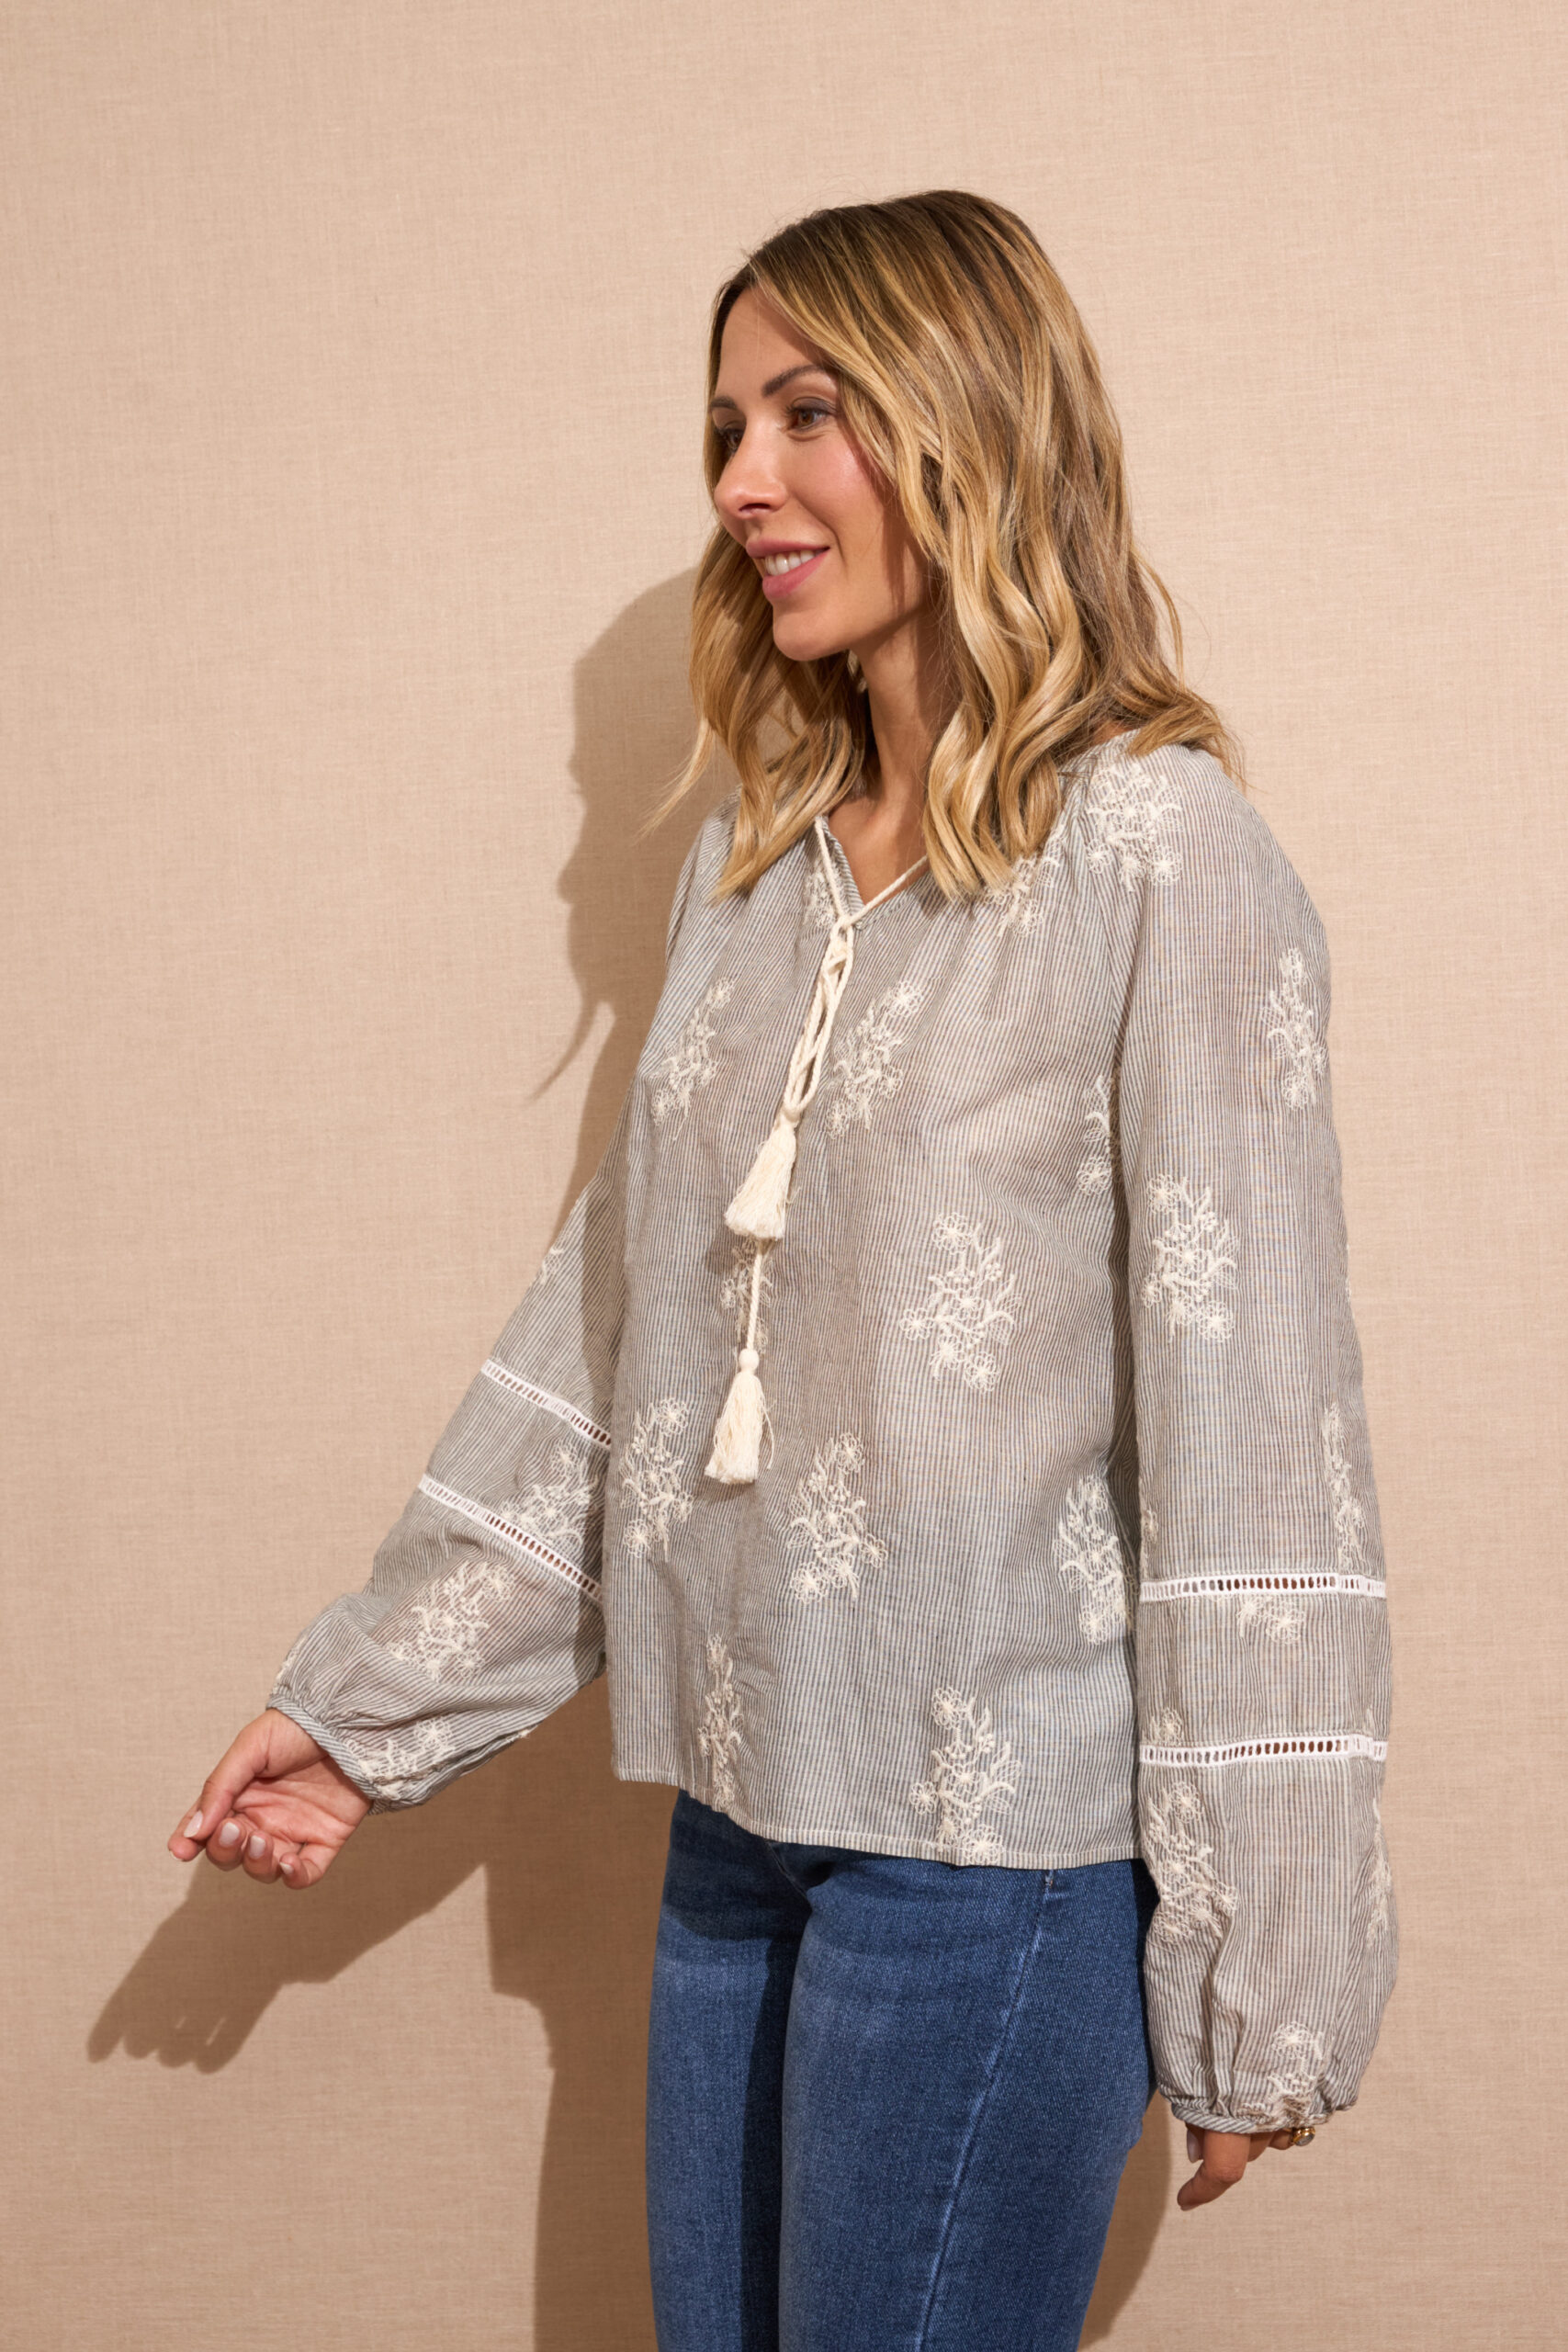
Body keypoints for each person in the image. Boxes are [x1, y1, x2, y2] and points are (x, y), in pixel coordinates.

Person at [168, 190, 1396, 2349]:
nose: (743, 479)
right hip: (735, 1825)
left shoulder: (1155, 850)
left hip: (995, 1868)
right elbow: (615, 1343)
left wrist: (1255, 1972)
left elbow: (1256, 1429)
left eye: (807, 412)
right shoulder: (750, 882)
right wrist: (367, 1711)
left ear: (967, 422)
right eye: (727, 424)